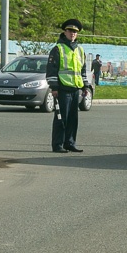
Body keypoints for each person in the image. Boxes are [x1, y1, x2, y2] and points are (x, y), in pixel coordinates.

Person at [46, 18, 89, 153]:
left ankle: (70, 143)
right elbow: (52, 70)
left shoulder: (80, 50)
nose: (72, 34)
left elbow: (82, 70)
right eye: (70, 31)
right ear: (65, 32)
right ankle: (57, 144)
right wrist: (54, 88)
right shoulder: (58, 49)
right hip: (62, 89)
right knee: (60, 118)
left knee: (72, 119)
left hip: (75, 89)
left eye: (75, 32)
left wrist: (85, 86)